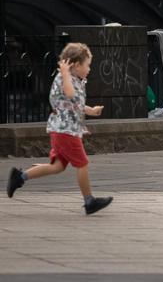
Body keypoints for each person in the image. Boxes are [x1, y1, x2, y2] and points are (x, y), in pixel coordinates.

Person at [6, 43, 113, 215]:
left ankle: (20, 177)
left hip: (64, 130)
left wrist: (90, 111)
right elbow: (70, 94)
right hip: (65, 132)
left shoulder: (74, 80)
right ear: (76, 65)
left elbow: (73, 104)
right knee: (82, 163)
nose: (89, 69)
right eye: (88, 65)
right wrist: (64, 74)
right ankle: (89, 201)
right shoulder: (65, 78)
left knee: (57, 166)